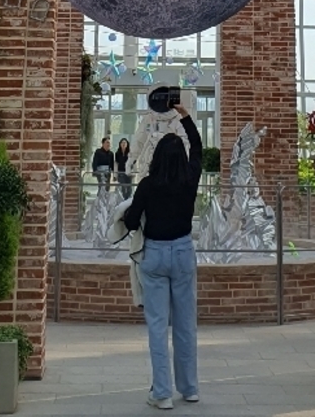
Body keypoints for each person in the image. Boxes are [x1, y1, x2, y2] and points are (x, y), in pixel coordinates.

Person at [124, 103, 201, 410]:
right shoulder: (190, 180)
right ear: (182, 157)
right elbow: (197, 148)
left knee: (158, 326)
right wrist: (185, 116)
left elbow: (131, 222)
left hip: (155, 255)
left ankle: (162, 393)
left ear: (156, 157)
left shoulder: (148, 185)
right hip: (183, 252)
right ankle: (190, 388)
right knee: (186, 324)